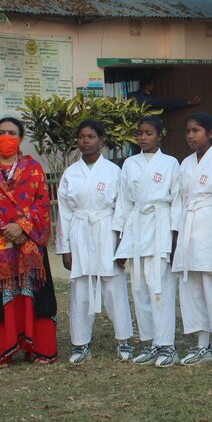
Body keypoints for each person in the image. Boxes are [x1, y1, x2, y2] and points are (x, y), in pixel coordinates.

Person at [0, 117, 58, 366]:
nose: (5, 137)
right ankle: (6, 349)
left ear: (20, 138)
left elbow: (42, 203)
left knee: (33, 295)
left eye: (11, 133)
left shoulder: (33, 169)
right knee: (4, 296)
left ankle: (38, 347)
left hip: (29, 244)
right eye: (1, 132)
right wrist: (4, 229)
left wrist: (21, 227)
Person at [56, 119, 134, 365]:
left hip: (106, 229)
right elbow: (65, 213)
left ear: (101, 140)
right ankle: (80, 343)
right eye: (81, 137)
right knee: (81, 288)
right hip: (80, 231)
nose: (85, 141)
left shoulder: (113, 171)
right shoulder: (71, 173)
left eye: (91, 136)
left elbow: (122, 208)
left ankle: (124, 341)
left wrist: (122, 242)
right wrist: (65, 248)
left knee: (114, 287)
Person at [113, 116, 182, 366]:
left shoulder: (171, 163)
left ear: (160, 136)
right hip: (137, 226)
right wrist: (121, 239)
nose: (143, 137)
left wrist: (175, 239)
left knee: (160, 287)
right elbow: (123, 202)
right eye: (140, 133)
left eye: (149, 133)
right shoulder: (130, 164)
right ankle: (152, 342)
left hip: (160, 224)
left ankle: (168, 346)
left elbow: (177, 202)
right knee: (140, 288)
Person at [173, 113, 212, 366]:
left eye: (196, 130)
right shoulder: (186, 163)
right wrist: (177, 236)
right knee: (193, 288)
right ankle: (202, 344)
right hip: (190, 227)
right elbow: (181, 200)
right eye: (188, 131)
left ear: (210, 133)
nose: (191, 135)